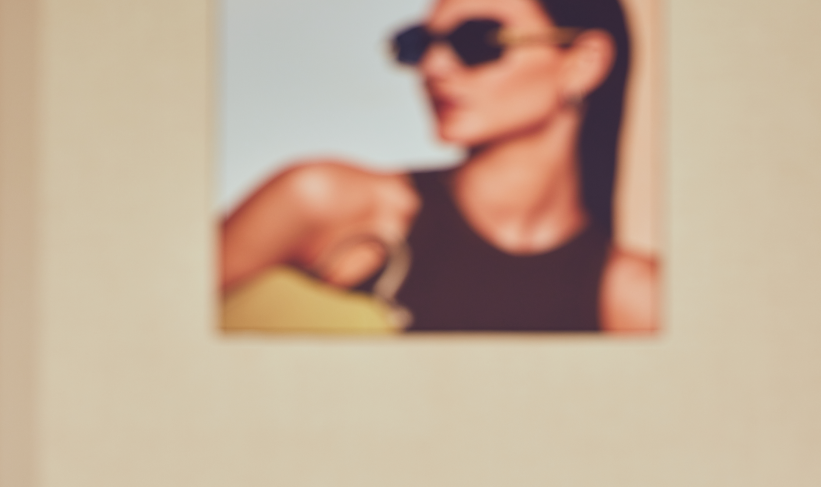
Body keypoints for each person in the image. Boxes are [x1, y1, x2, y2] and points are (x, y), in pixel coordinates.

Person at [220, 0, 658, 333]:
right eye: (418, 44)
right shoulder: (323, 202)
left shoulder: (638, 299)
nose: (433, 67)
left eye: (477, 41)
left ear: (583, 63)